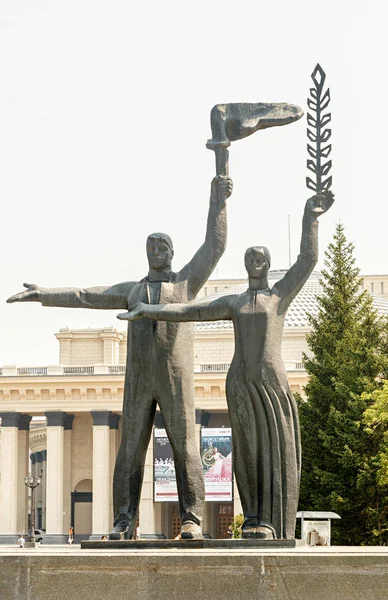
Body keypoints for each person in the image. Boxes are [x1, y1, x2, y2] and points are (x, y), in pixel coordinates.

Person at [7, 175, 233, 540]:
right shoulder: (133, 290)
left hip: (175, 379)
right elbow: (86, 295)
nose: (157, 251)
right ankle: (123, 519)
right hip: (139, 380)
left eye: (163, 246)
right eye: (152, 247)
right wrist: (43, 293)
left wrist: (218, 201)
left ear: (172, 253)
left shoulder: (185, 284)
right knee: (129, 450)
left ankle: (191, 519)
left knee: (185, 447)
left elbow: (216, 245)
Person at [118, 190, 334, 540]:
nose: (255, 262)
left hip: (269, 383)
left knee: (273, 452)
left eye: (260, 258)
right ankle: (252, 520)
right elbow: (190, 311)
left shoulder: (278, 296)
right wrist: (150, 310)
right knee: (247, 456)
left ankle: (271, 522)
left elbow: (307, 260)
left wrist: (311, 218)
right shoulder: (234, 302)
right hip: (239, 384)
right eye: (249, 258)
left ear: (267, 263)